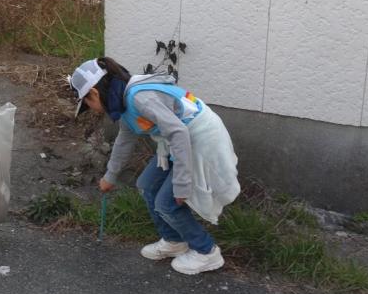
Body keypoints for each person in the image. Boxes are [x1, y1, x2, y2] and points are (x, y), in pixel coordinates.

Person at [69, 57, 240, 275]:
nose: (92, 110)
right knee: (147, 185)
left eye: (88, 104)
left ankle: (206, 252)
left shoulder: (139, 98)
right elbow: (125, 140)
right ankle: (174, 241)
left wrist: (181, 183)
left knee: (167, 203)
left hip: (198, 140)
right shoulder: (122, 102)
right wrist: (110, 176)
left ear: (94, 93)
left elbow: (179, 133)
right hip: (177, 142)